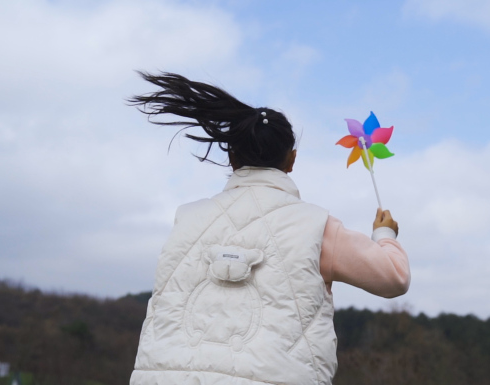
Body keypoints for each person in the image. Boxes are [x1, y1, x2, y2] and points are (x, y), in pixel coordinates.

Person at [128, 72, 410, 385]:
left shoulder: (186, 219)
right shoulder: (316, 227)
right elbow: (393, 279)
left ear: (231, 157)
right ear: (292, 160)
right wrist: (385, 235)